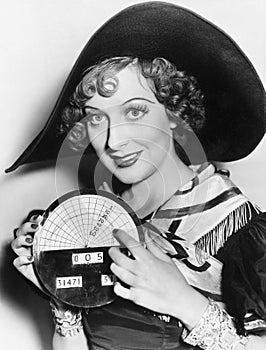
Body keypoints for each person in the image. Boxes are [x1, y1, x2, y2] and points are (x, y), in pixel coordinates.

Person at [8, 2, 266, 349]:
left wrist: (187, 304)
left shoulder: (238, 230)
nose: (114, 140)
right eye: (96, 118)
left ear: (176, 114)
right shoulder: (95, 222)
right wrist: (62, 299)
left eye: (135, 111)